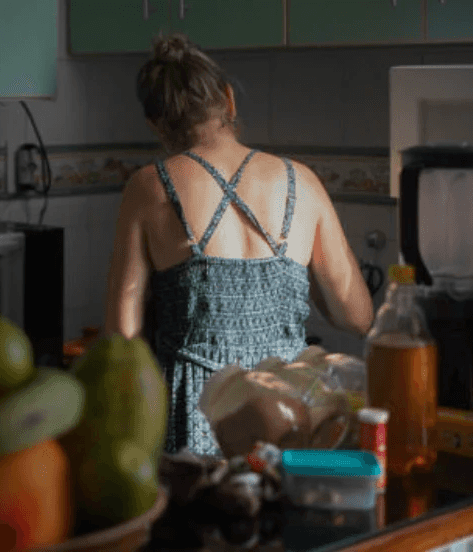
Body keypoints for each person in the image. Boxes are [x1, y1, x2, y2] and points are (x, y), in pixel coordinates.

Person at [103, 33, 374, 456]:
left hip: (201, 415)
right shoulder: (301, 181)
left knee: (210, 514)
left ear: (156, 123)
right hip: (291, 408)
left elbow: (121, 334)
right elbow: (357, 317)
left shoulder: (149, 187)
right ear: (228, 100)